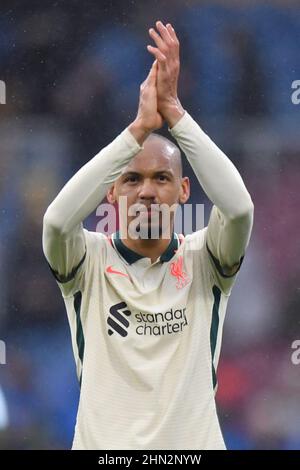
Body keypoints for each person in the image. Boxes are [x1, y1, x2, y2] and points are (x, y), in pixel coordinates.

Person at [42, 21, 254, 450]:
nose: (147, 192)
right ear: (114, 191)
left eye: (161, 178)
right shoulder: (89, 262)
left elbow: (239, 208)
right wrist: (135, 131)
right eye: (132, 180)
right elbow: (57, 222)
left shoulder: (205, 258)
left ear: (182, 191)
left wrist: (174, 111)